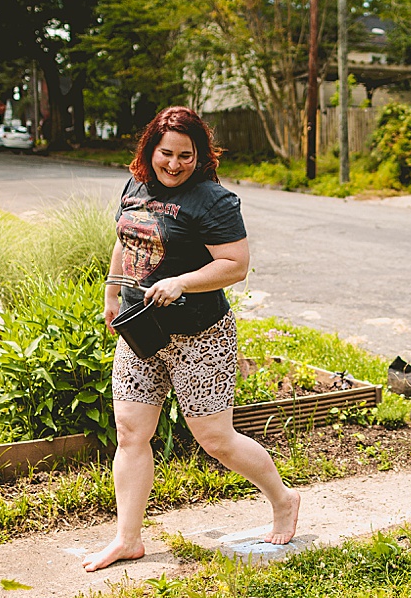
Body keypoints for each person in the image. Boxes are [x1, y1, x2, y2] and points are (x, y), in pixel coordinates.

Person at [83, 106, 300, 572]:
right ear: (150, 151)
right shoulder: (135, 186)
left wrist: (182, 281)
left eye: (186, 155)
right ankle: (128, 538)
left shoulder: (214, 201)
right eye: (166, 153)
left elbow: (234, 265)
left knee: (216, 440)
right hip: (142, 327)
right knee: (130, 431)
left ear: (199, 155)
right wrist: (112, 290)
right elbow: (126, 240)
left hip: (200, 334)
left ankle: (283, 499)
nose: (175, 164)